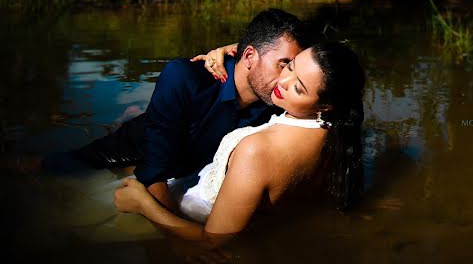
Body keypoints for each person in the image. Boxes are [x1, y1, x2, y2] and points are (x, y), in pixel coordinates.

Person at [41, 7, 313, 212]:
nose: (289, 80)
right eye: (283, 65)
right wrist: (179, 241)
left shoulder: (278, 102)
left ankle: (132, 116)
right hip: (133, 149)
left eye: (293, 68)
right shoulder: (186, 77)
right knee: (59, 167)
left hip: (187, 164)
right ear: (250, 56)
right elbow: (153, 172)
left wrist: (229, 48)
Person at [113, 42, 366, 247]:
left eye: (298, 88)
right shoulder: (339, 134)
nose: (282, 82)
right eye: (289, 66)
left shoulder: (257, 151)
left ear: (325, 105)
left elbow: (212, 240)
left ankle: (126, 122)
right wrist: (235, 48)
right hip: (220, 197)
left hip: (186, 215)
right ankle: (129, 120)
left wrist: (144, 206)